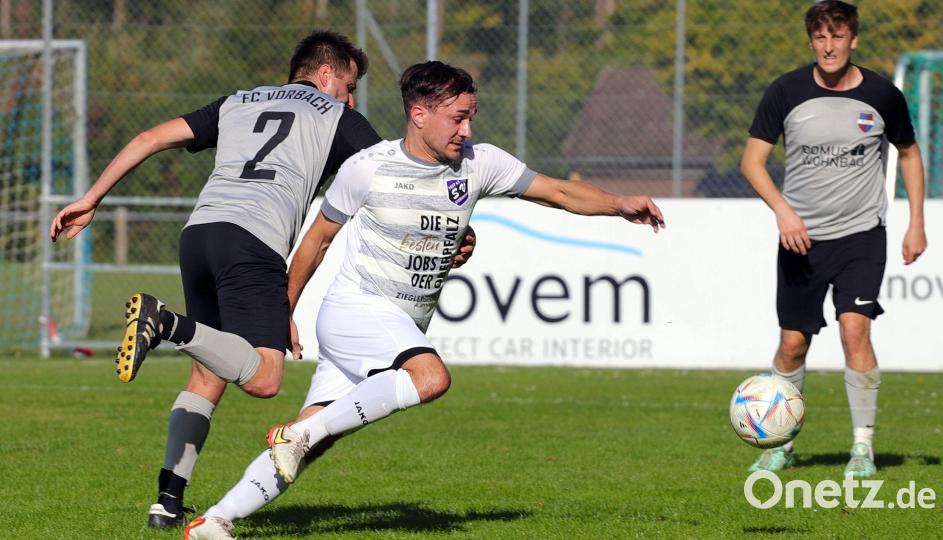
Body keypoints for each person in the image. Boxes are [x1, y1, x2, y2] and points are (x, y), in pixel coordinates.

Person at [181, 60, 665, 539]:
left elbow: (558, 191)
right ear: (419, 114)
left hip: (398, 322)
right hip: (356, 309)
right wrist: (282, 311)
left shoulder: (480, 163)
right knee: (430, 378)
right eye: (457, 118)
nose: (466, 129)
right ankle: (299, 435)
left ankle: (215, 520)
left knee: (313, 439)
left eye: (470, 116)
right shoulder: (367, 168)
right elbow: (316, 243)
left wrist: (618, 205)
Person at [49, 31, 477, 528]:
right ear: (325, 74)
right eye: (350, 86)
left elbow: (149, 138)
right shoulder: (337, 116)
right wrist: (452, 232)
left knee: (209, 371)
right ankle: (165, 323)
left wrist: (91, 198)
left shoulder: (237, 102)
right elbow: (397, 179)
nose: (352, 99)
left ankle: (167, 501)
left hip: (199, 234)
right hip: (253, 242)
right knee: (266, 378)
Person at [739, 0, 926, 478]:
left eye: (837, 36)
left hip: (862, 235)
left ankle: (862, 449)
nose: (829, 46)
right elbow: (751, 163)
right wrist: (783, 212)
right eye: (820, 37)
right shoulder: (786, 91)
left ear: (853, 40)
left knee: (854, 330)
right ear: (811, 42)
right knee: (792, 345)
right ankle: (781, 443)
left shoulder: (883, 94)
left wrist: (916, 222)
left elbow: (909, 154)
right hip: (800, 240)